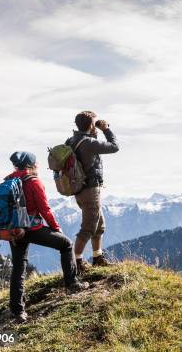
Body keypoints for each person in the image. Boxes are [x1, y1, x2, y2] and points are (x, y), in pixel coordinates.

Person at [7, 151, 89, 323]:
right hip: (32, 229)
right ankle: (72, 283)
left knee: (18, 267)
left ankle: (17, 311)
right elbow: (45, 209)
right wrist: (56, 228)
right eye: (36, 163)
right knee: (66, 244)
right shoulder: (34, 182)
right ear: (31, 165)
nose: (38, 165)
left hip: (14, 231)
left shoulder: (9, 182)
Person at [65, 111, 119, 274]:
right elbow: (114, 147)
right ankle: (77, 263)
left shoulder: (72, 140)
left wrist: (94, 133)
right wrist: (106, 130)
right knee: (88, 227)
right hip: (90, 189)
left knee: (99, 225)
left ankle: (97, 258)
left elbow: (85, 155)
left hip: (80, 189)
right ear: (90, 125)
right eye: (94, 123)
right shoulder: (88, 142)